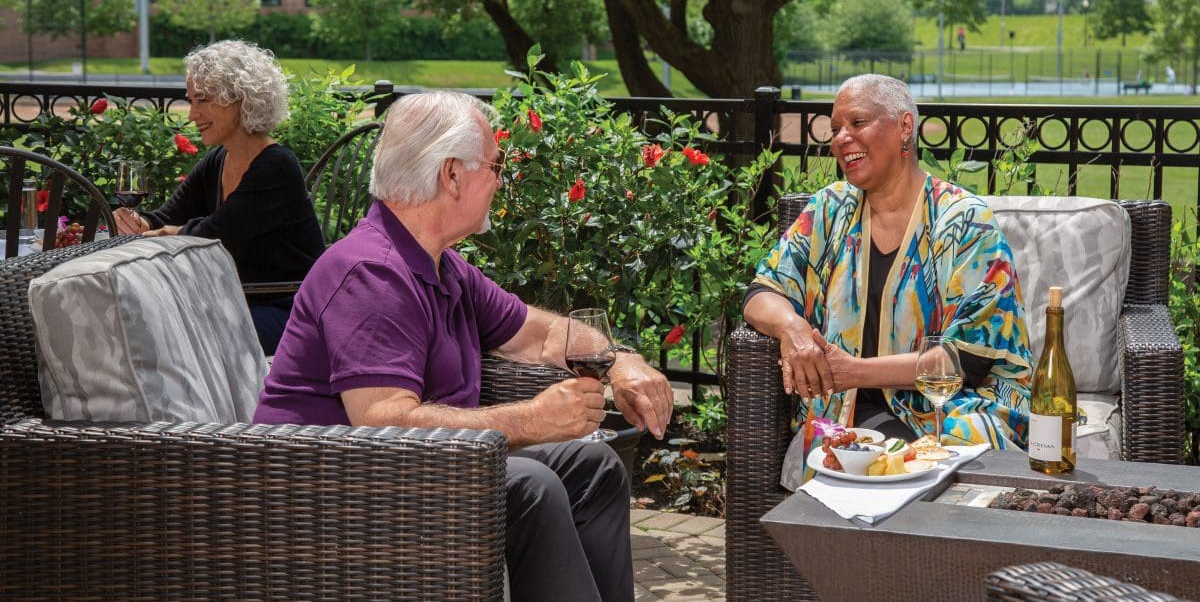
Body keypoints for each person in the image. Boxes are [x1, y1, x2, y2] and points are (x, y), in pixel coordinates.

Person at [253, 90, 673, 601]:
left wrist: (621, 360)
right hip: (329, 496)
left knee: (593, 465)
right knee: (527, 485)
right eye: (495, 165)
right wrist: (531, 420)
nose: (500, 180)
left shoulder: (441, 265)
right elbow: (384, 420)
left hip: (415, 471)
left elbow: (540, 335)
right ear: (452, 175)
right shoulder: (370, 272)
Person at [743, 74, 1032, 491]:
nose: (842, 138)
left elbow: (965, 362)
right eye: (835, 129)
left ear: (904, 128)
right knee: (861, 464)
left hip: (953, 405)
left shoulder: (964, 221)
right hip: (849, 408)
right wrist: (792, 328)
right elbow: (761, 292)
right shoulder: (830, 210)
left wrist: (852, 372)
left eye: (857, 123)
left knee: (901, 474)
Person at [113, 40, 324, 355]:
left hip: (291, 308)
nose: (192, 114)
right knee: (137, 318)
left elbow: (212, 237)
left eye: (202, 100)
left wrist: (165, 232)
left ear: (240, 99)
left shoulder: (275, 166)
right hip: (239, 301)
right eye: (191, 100)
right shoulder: (218, 160)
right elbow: (165, 219)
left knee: (168, 331)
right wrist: (137, 222)